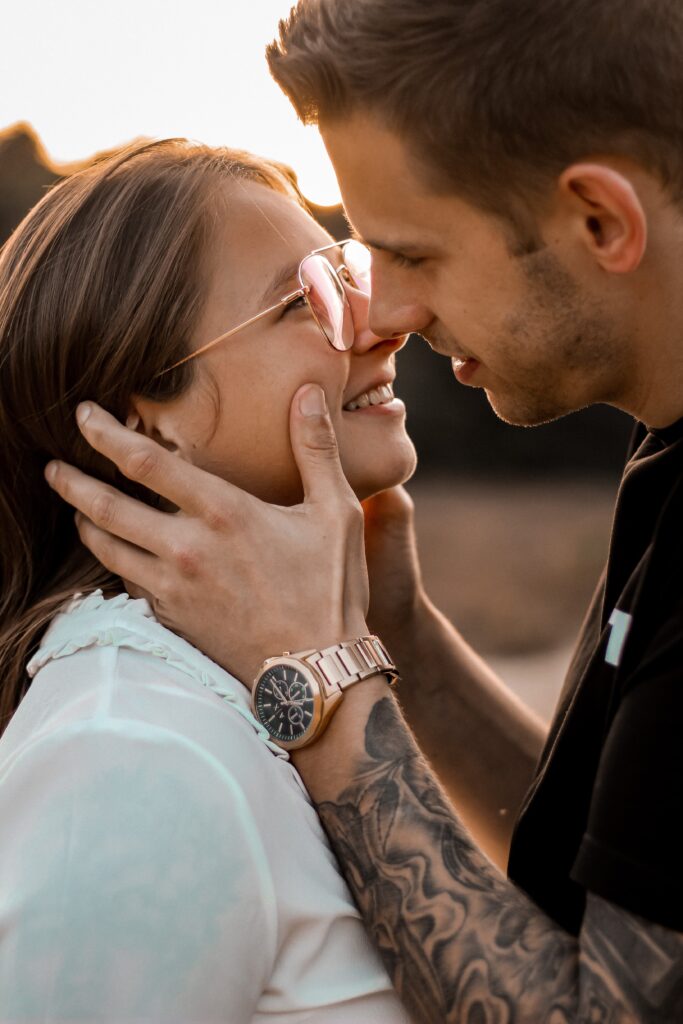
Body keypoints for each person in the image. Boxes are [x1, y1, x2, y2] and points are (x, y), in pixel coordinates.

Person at [41, 0, 683, 1020]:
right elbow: (618, 870)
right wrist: (404, 649)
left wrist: (326, 678)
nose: (382, 317)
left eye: (409, 255)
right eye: (324, 285)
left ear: (599, 220)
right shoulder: (125, 742)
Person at [0, 138, 418, 1022]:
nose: (383, 320)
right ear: (144, 421)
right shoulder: (125, 758)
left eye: (347, 271)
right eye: (308, 295)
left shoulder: (223, 700)